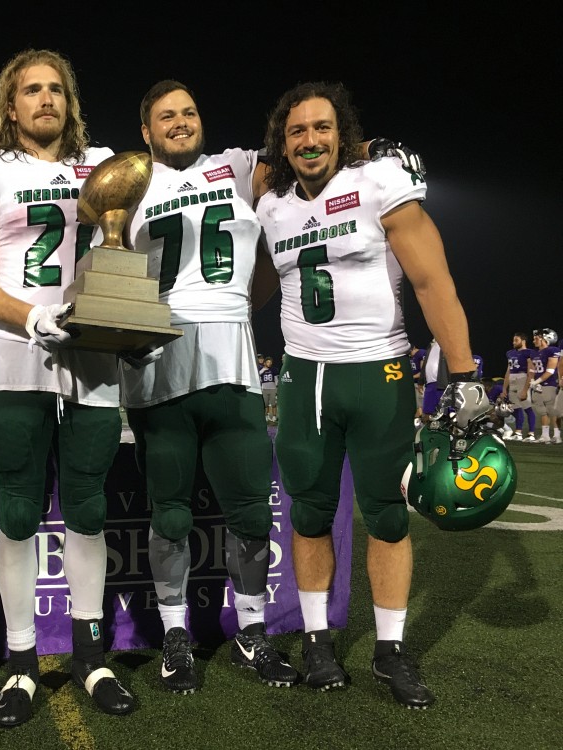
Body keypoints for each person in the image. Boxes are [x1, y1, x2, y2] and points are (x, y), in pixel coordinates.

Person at [256, 81, 489, 709]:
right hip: (305, 377)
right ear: (282, 141)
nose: (310, 140)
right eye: (298, 130)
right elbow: (253, 285)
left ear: (344, 134)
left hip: (377, 371)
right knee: (308, 512)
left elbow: (432, 281)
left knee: (387, 513)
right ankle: (316, 641)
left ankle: (390, 649)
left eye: (322, 127)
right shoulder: (271, 205)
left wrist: (464, 374)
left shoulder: (380, 181)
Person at [0, 48, 134, 727]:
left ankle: (91, 656)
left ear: (70, 100)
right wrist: (31, 316)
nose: (46, 99)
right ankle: (23, 662)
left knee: (88, 506)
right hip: (16, 356)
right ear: (10, 105)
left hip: (92, 358)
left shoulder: (106, 163)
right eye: (31, 90)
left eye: (56, 88)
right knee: (19, 511)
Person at [120, 80, 304, 695]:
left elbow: (306, 153)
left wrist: (368, 153)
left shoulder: (240, 166)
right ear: (146, 131)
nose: (181, 122)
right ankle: (176, 637)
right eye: (166, 116)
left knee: (250, 510)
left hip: (233, 364)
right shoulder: (130, 182)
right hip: (160, 365)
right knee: (170, 513)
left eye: (189, 112)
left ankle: (251, 631)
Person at [503, 332, 537, 441]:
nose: (514, 342)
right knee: (516, 407)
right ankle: (518, 432)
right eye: (513, 340)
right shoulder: (510, 353)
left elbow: (531, 372)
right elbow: (508, 371)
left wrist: (525, 389)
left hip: (523, 379)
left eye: (516, 340)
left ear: (523, 341)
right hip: (512, 379)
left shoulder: (529, 353)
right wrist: (504, 388)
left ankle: (531, 434)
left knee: (527, 407)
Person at [529, 328, 560, 443]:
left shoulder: (552, 350)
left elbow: (550, 371)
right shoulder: (534, 353)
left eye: (536, 338)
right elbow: (532, 369)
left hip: (549, 384)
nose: (534, 341)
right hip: (538, 385)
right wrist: (533, 381)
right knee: (542, 412)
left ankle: (557, 436)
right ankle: (545, 435)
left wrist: (536, 382)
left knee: (552, 411)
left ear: (545, 339)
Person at [261, 355, 280, 423]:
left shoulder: (273, 369)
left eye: (270, 362)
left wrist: (276, 387)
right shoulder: (261, 370)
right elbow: (259, 375)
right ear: (265, 363)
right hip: (264, 389)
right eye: (268, 362)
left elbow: (276, 379)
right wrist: (264, 369)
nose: (269, 363)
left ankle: (274, 416)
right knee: (266, 404)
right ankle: (266, 416)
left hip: (272, 388)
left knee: (273, 403)